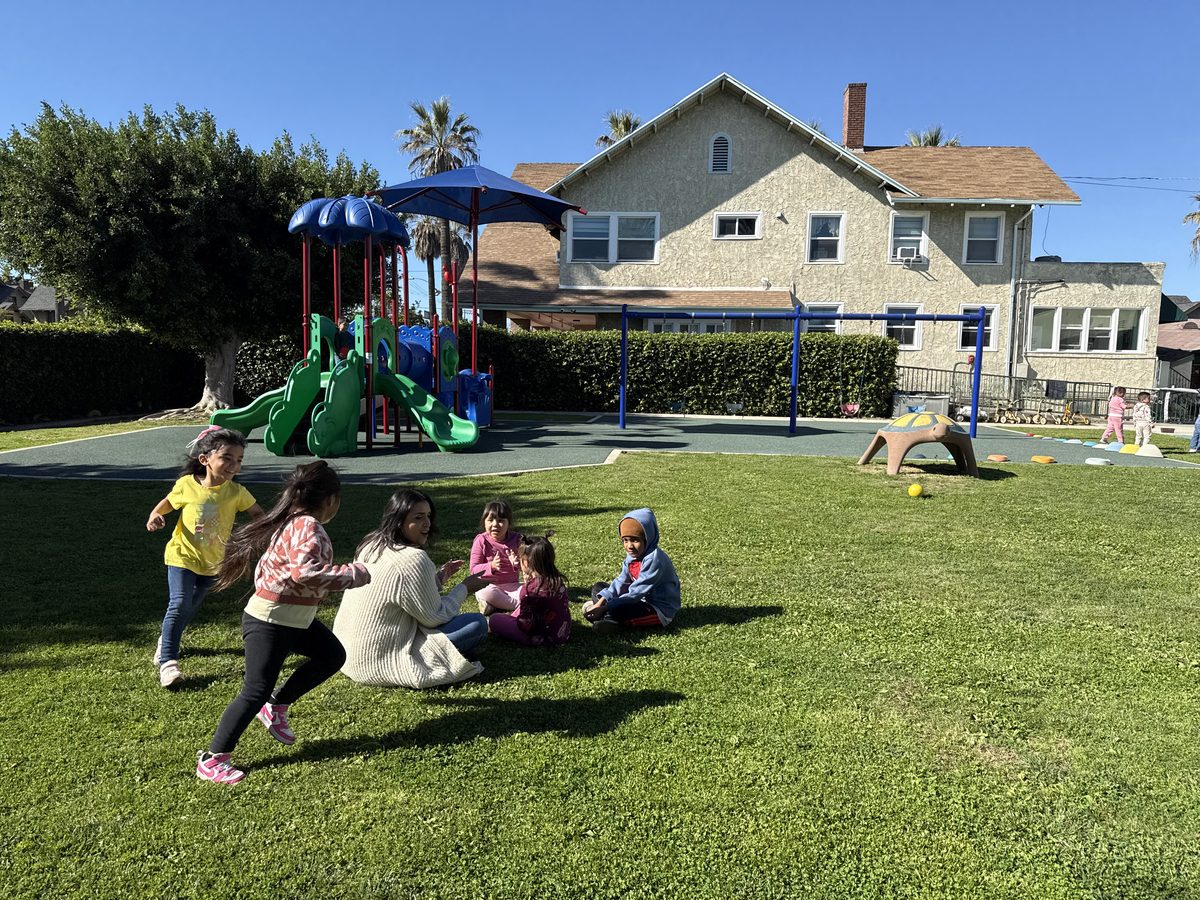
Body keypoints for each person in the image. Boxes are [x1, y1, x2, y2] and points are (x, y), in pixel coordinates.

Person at [195, 461, 369, 785]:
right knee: (255, 690)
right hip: (271, 621)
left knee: (332, 656)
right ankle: (213, 759)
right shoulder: (308, 526)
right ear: (331, 500)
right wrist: (352, 574)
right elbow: (305, 572)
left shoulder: (293, 521)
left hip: (291, 619)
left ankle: (276, 706)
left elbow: (275, 570)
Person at [333, 488, 491, 690]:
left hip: (346, 652)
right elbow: (434, 617)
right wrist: (465, 587)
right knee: (477, 623)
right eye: (418, 517)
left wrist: (439, 578)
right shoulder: (413, 559)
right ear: (399, 520)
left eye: (428, 516)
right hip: (378, 659)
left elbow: (400, 590)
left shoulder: (371, 543)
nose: (427, 523)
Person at [145, 426, 263, 689]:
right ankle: (168, 663)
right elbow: (168, 503)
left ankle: (167, 638)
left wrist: (258, 533)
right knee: (179, 603)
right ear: (205, 459)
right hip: (182, 556)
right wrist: (155, 515)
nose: (233, 465)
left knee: (188, 608)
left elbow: (258, 514)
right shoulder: (187, 484)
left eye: (239, 460)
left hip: (214, 562)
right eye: (227, 458)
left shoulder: (237, 492)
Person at [583, 508, 680, 636]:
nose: (629, 546)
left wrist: (605, 607)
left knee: (620, 609)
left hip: (656, 609)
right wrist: (601, 602)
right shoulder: (633, 556)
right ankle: (605, 615)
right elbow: (621, 582)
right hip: (636, 600)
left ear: (648, 538)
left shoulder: (655, 560)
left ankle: (609, 620)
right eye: (625, 540)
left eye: (635, 540)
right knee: (599, 587)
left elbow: (635, 594)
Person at [489, 533, 571, 647]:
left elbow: (524, 625)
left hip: (539, 637)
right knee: (521, 608)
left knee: (494, 619)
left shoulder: (529, 590)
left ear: (526, 562)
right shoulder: (557, 581)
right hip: (561, 634)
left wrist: (515, 621)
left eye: (520, 558)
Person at [470, 499, 523, 615]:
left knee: (530, 590)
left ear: (509, 523)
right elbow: (473, 570)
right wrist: (491, 566)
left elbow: (529, 565)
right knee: (484, 592)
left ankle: (493, 606)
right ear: (484, 522)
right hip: (489, 586)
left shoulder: (517, 539)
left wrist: (518, 564)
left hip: (513, 586)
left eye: (500, 521)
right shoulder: (481, 540)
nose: (495, 524)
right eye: (490, 520)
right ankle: (520, 604)